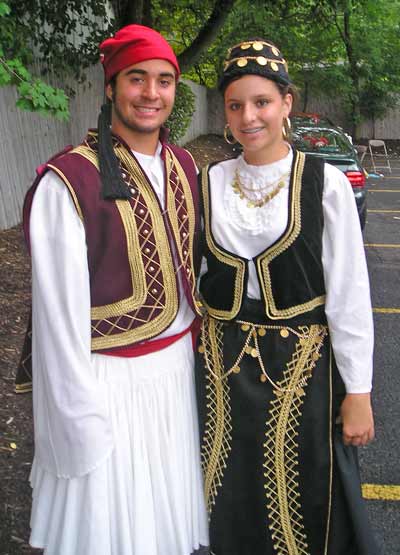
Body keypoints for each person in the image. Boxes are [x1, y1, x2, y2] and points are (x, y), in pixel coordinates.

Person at [18, 24, 209, 555]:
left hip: (174, 376)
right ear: (110, 87)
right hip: (105, 383)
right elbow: (56, 320)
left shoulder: (185, 166)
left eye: (165, 80)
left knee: (162, 523)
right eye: (137, 78)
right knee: (108, 529)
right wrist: (75, 417)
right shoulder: (69, 181)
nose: (152, 93)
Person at [196, 39, 379, 555]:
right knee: (227, 491)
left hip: (303, 370)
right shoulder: (209, 181)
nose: (248, 116)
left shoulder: (326, 184)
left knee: (308, 492)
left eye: (261, 102)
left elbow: (349, 294)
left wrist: (358, 392)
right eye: (235, 105)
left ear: (286, 104)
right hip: (220, 370)